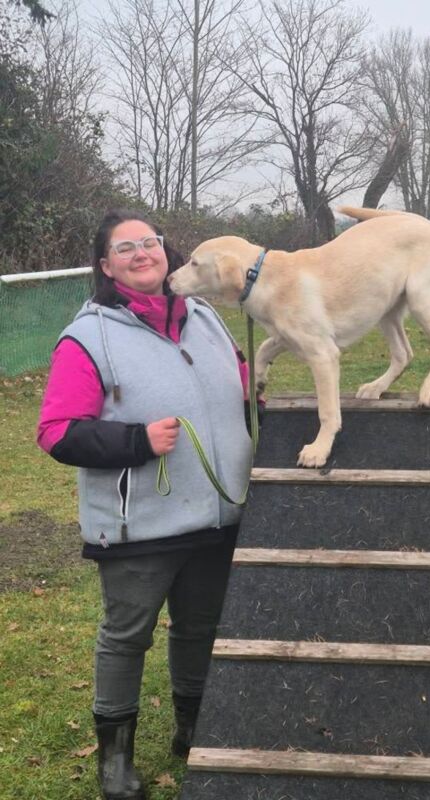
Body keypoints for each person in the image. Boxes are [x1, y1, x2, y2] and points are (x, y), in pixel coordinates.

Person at [37, 210, 255, 800]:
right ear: (106, 266)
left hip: (216, 514)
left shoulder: (207, 317)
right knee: (126, 637)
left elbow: (241, 388)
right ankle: (116, 762)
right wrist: (136, 440)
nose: (141, 253)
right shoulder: (88, 337)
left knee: (200, 627)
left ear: (167, 251)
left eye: (149, 242)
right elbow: (57, 431)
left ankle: (192, 729)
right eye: (125, 247)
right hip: (140, 526)